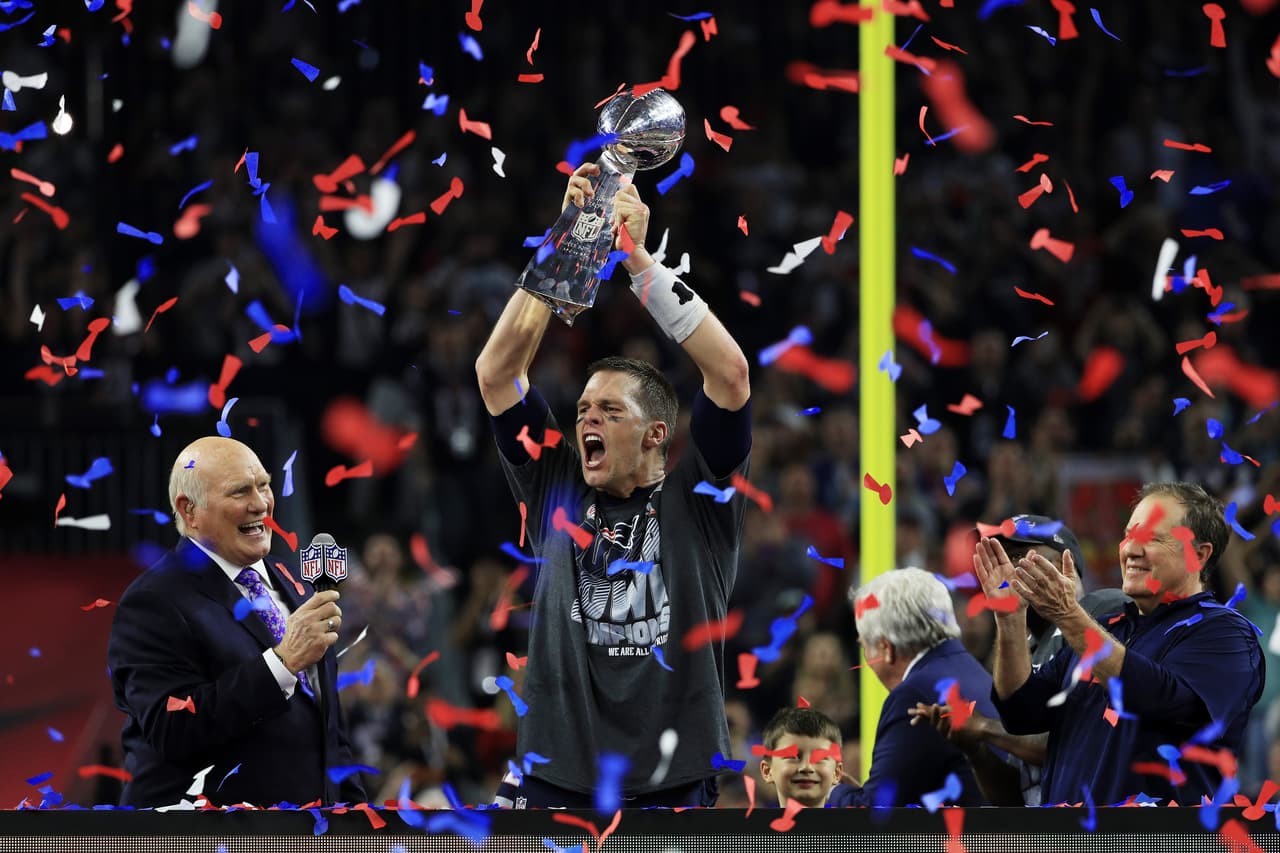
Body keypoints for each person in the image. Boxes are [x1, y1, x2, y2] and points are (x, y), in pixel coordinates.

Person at [478, 163, 751, 808]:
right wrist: (569, 242)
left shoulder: (698, 498)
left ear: (657, 432)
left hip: (672, 776)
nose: (585, 420)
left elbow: (732, 375)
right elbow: (496, 372)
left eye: (608, 411)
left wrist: (637, 262)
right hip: (559, 774)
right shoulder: (556, 485)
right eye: (581, 412)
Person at [107, 436, 366, 807]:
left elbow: (327, 733)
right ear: (189, 509)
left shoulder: (291, 581)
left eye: (264, 485)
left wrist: (355, 822)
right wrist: (282, 662)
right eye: (240, 492)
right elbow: (171, 730)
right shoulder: (153, 601)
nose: (260, 504)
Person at [985, 482, 1265, 805]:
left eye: (1151, 538)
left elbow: (1152, 694)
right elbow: (1020, 712)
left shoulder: (1225, 634)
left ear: (1198, 554)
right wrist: (1009, 620)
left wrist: (1068, 615)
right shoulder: (1107, 628)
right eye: (1129, 535)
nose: (1130, 549)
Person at [909, 516, 1129, 804]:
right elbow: (1017, 796)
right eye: (998, 557)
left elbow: (1089, 739)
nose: (1006, 568)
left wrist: (987, 728)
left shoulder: (1104, 610)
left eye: (1018, 556)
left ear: (1067, 561)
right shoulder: (1016, 652)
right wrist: (976, 750)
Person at [828, 567, 1010, 807]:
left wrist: (830, 793)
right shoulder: (974, 673)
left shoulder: (913, 695)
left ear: (886, 648)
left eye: (865, 646)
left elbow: (873, 815)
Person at [758, 706, 844, 809]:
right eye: (793, 757)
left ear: (837, 773)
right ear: (767, 771)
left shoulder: (860, 823)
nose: (807, 767)